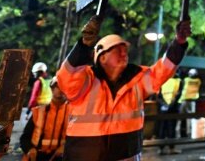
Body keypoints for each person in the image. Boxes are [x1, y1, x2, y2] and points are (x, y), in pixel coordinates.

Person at [56, 14, 191, 160]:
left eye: (125, 49)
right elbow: (66, 76)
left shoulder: (137, 80)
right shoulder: (85, 80)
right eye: (117, 49)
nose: (124, 53)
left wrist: (179, 42)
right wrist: (83, 45)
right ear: (102, 57)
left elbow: (164, 69)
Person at [20, 77, 69, 161]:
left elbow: (78, 140)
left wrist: (65, 147)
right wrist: (30, 149)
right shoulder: (38, 112)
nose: (61, 90)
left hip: (61, 157)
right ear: (52, 89)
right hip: (37, 156)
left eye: (64, 87)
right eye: (58, 86)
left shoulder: (73, 113)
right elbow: (25, 138)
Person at [157, 69, 183, 155]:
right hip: (168, 108)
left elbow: (178, 94)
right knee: (165, 128)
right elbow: (159, 95)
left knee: (168, 128)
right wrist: (167, 105)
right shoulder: (164, 81)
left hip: (168, 108)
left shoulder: (177, 81)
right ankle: (164, 148)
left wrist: (165, 105)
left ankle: (168, 148)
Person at [180, 68, 202, 138]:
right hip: (192, 101)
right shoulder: (198, 81)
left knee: (179, 117)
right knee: (190, 118)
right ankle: (189, 133)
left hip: (184, 100)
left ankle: (178, 132)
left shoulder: (186, 80)